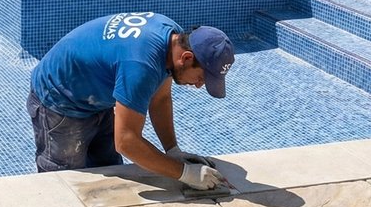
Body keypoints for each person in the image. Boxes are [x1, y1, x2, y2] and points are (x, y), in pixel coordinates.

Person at [28, 12, 235, 190]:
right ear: (187, 58)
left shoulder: (173, 37)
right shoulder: (140, 64)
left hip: (94, 94)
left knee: (108, 172)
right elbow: (126, 142)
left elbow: (160, 98)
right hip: (60, 99)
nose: (199, 85)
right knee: (65, 184)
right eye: (201, 78)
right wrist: (185, 173)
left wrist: (173, 151)